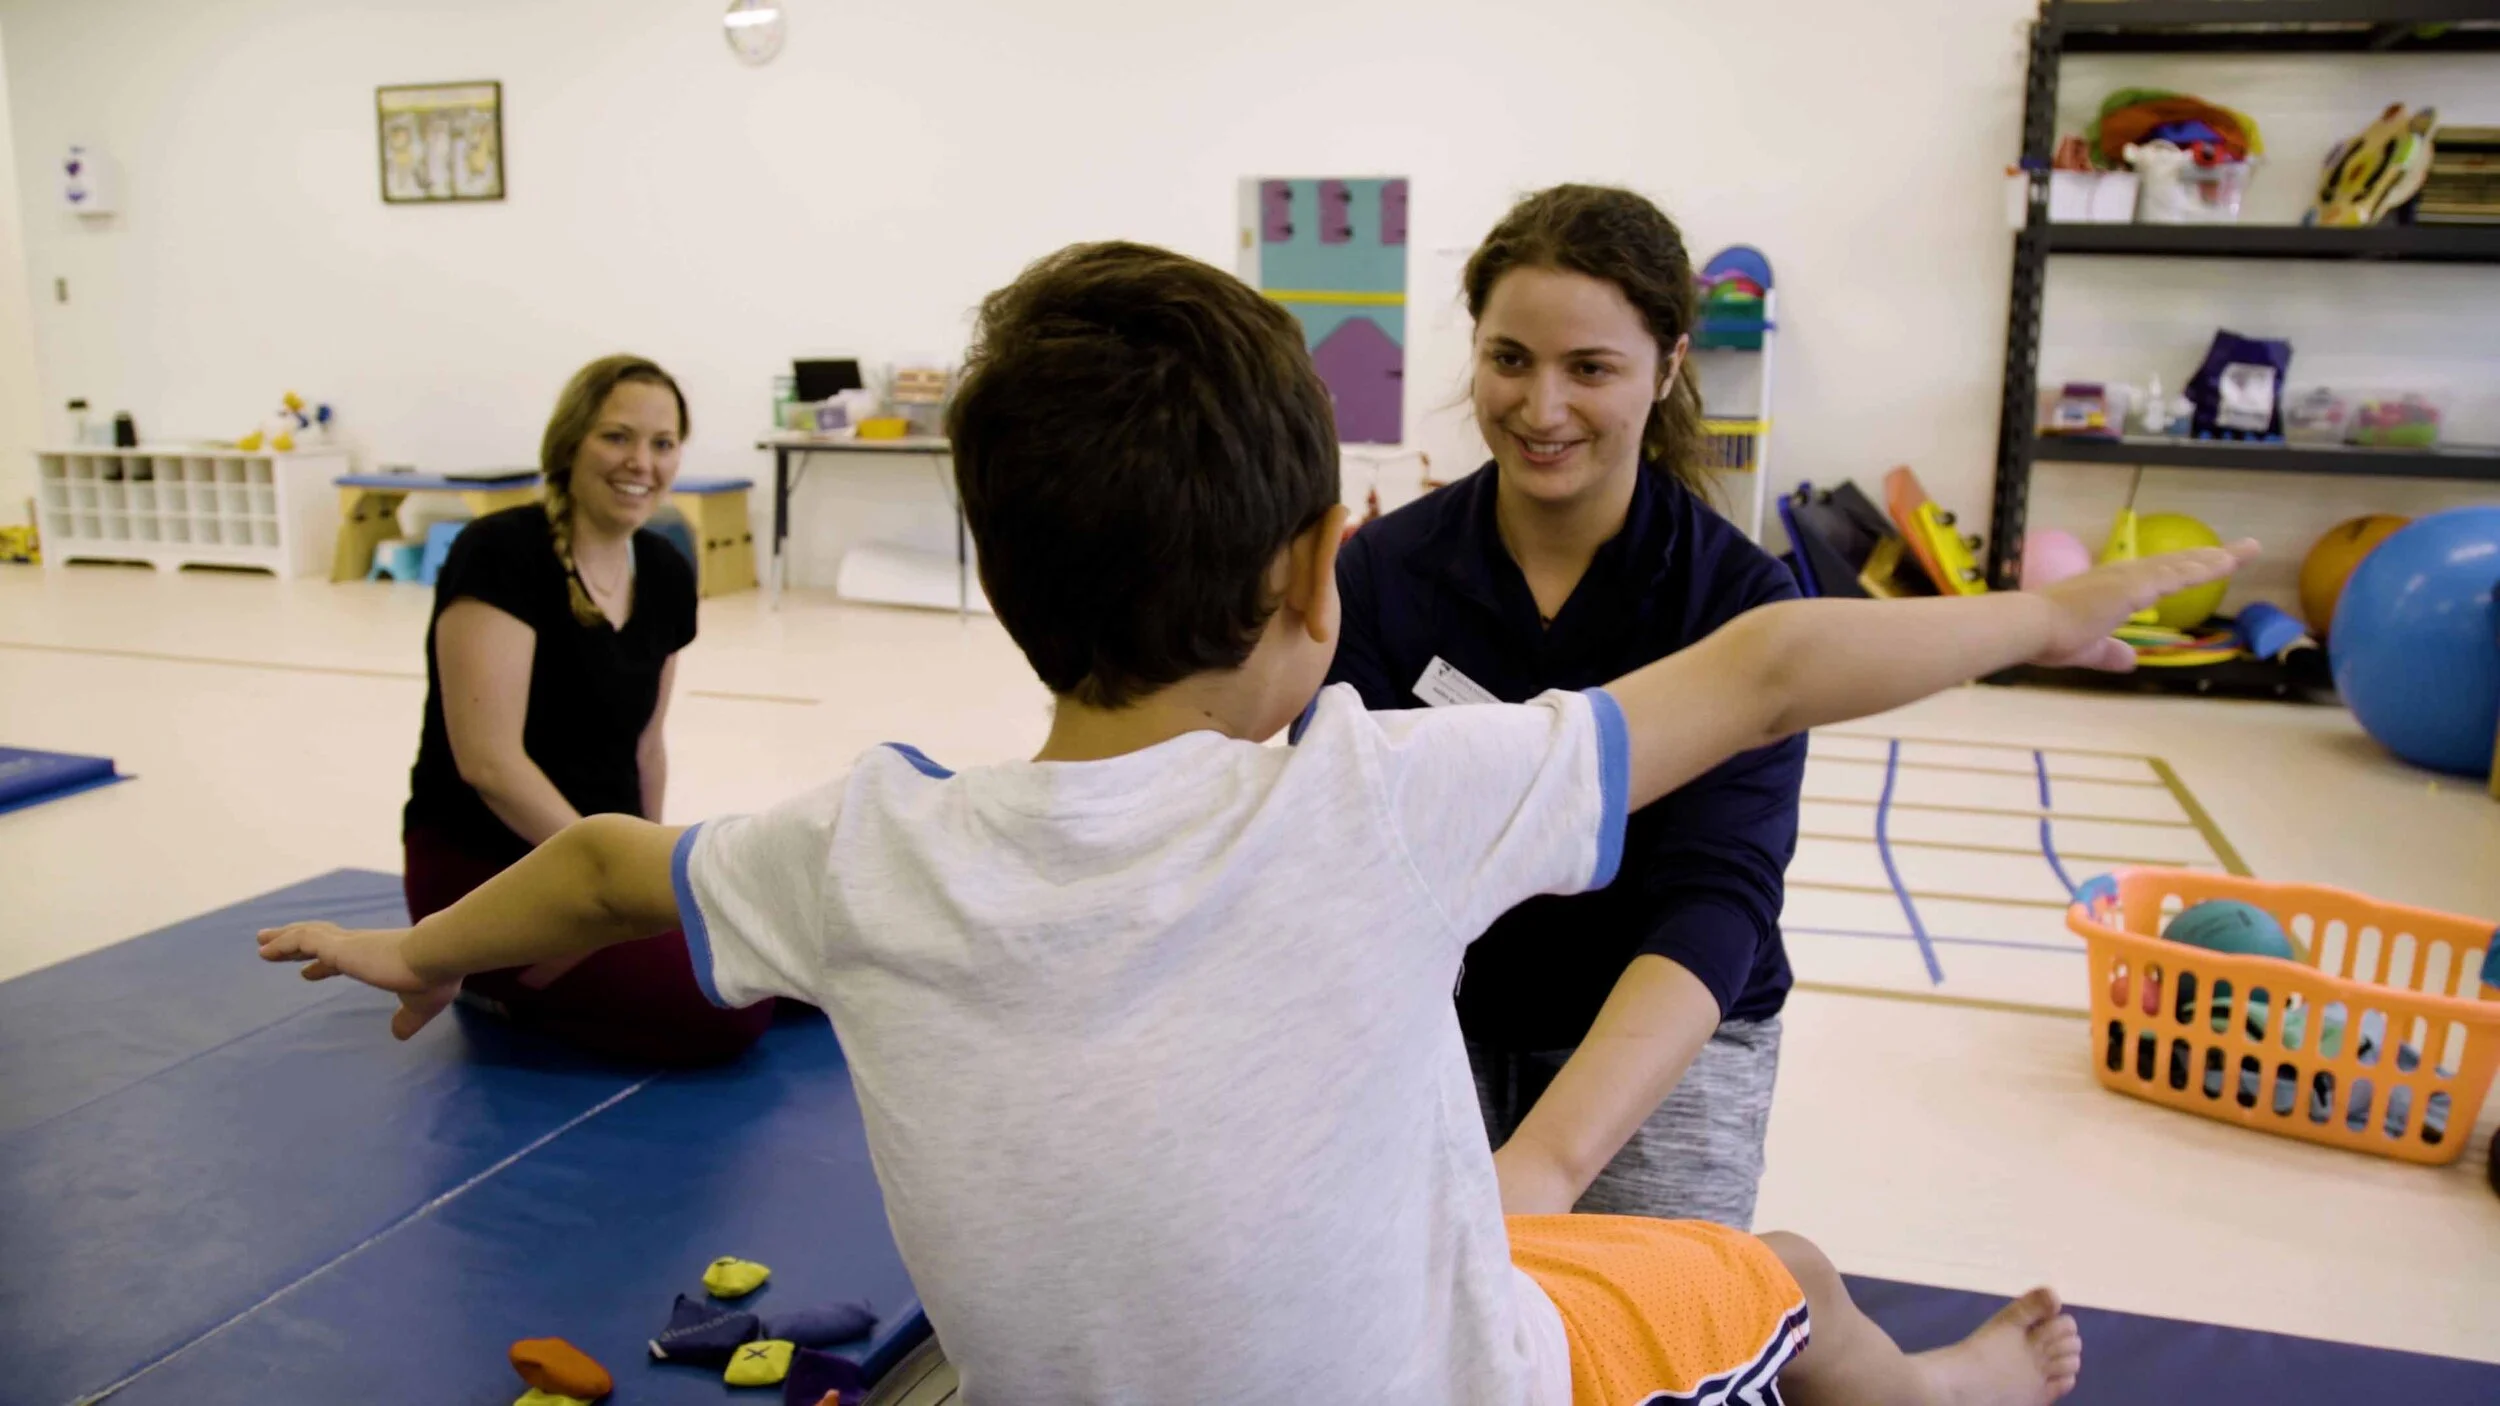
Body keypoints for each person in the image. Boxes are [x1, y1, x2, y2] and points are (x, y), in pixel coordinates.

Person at [264, 242, 2255, 1405]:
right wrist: (2047, 614)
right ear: (1324, 573)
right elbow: (1758, 677)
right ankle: (1960, 1387)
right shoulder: (1373, 807)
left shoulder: (867, 847)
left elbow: (607, 863)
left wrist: (416, 945)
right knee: (1788, 1267)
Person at [1330, 184, 1798, 1227]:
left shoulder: (1740, 606)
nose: (1541, 410)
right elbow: (1346, 843)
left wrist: (1548, 1158)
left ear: (1670, 364)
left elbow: (1718, 895)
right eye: (1509, 360)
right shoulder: (1384, 574)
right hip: (1441, 1013)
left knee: (1637, 1348)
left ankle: (1886, 1361)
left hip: (1659, 1022)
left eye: (1589, 368)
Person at [398, 353, 771, 1067]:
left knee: (798, 960)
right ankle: (480, 969)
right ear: (571, 441)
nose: (641, 461)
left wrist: (653, 879)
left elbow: (646, 748)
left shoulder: (665, 570)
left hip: (603, 868)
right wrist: (612, 885)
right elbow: (490, 765)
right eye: (618, 437)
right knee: (735, 1010)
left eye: (662, 444)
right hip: (485, 872)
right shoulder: (502, 552)